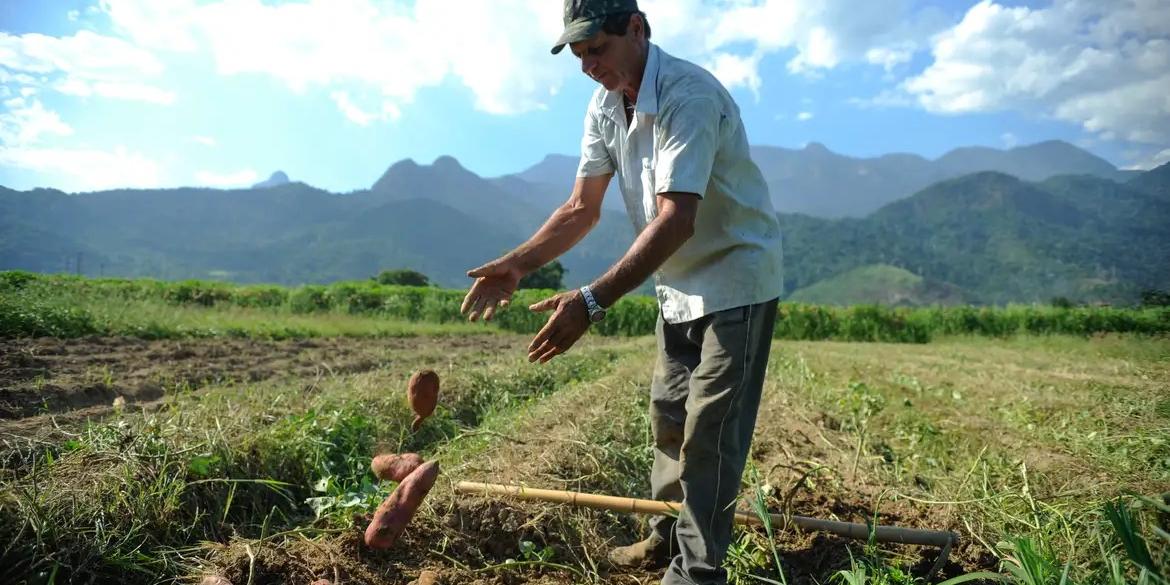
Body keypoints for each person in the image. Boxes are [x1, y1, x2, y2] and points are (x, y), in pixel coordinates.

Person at [460, 1, 783, 583]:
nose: (588, 65)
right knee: (668, 418)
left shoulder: (689, 95)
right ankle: (664, 537)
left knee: (710, 433)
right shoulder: (605, 104)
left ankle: (697, 573)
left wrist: (590, 300)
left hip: (736, 280)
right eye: (579, 54)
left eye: (597, 49)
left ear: (636, 28)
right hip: (675, 284)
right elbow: (581, 208)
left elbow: (677, 218)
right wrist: (517, 264)